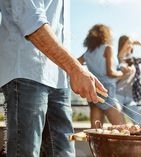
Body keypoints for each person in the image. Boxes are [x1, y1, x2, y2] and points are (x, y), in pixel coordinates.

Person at [0, 1, 106, 157]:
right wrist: (75, 69)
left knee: (64, 153)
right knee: (25, 152)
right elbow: (29, 17)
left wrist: (71, 69)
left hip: (59, 76)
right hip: (25, 70)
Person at [78, 24, 125, 128]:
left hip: (94, 89)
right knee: (123, 129)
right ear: (105, 35)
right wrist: (123, 73)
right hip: (107, 90)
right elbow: (110, 73)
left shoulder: (88, 52)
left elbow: (76, 64)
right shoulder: (107, 48)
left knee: (96, 132)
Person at [116, 35, 141, 124]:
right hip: (117, 95)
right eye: (128, 43)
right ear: (122, 43)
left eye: (132, 44)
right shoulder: (115, 59)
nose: (131, 46)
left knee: (139, 122)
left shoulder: (132, 59)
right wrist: (124, 73)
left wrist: (140, 44)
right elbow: (110, 78)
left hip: (130, 97)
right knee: (120, 124)